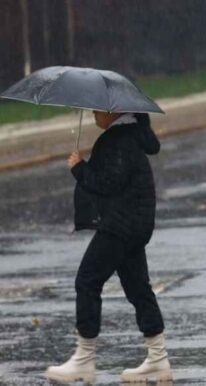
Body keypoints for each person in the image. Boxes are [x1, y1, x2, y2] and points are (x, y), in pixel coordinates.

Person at [46, 111, 171, 383]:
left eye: (97, 109)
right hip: (135, 224)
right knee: (138, 288)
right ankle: (158, 358)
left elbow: (108, 183)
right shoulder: (131, 136)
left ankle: (84, 360)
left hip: (120, 225)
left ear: (113, 112)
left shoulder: (117, 139)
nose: (93, 113)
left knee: (87, 282)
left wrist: (79, 168)